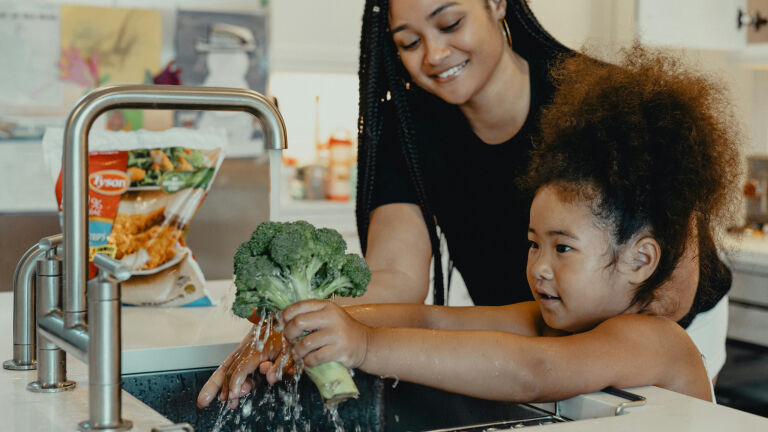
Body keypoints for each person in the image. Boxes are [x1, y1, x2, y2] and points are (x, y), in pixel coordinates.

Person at [197, 0, 735, 408]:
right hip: (574, 310)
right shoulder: (410, 128)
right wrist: (304, 328)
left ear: (497, 3)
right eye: (408, 42)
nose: (433, 54)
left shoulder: (604, 111)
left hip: (651, 315)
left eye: (450, 24)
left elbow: (536, 368)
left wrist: (361, 345)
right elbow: (427, 313)